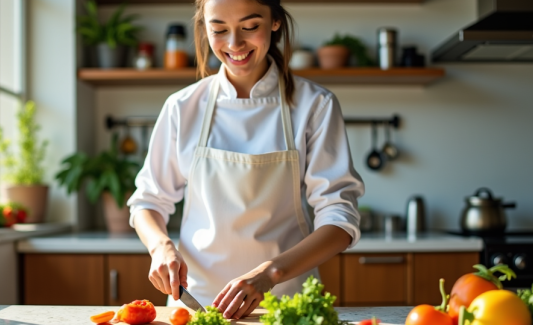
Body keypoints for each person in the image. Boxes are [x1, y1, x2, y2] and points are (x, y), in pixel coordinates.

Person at [127, 0, 364, 319]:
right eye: (219, 30)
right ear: (205, 28)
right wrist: (160, 248)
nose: (234, 44)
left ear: (275, 22)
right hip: (198, 302)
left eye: (250, 27)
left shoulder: (315, 106)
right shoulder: (182, 107)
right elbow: (148, 201)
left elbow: (339, 218)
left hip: (286, 304)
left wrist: (271, 273)